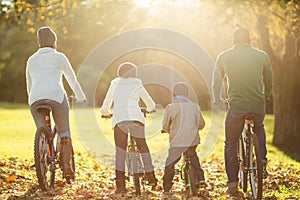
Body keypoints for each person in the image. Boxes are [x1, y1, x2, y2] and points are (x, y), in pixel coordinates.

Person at [212, 27, 273, 196]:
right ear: (250, 39)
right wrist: (265, 96)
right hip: (258, 104)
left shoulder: (224, 56)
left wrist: (217, 98)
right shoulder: (262, 55)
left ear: (234, 40)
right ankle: (261, 160)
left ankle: (232, 183)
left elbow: (216, 81)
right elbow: (269, 81)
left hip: (236, 106)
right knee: (259, 128)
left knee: (230, 142)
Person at [26, 26, 86, 179]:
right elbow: (71, 79)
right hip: (56, 97)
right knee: (64, 129)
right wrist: (80, 96)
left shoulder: (31, 59)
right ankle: (66, 166)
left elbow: (29, 85)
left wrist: (32, 100)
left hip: (35, 99)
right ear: (54, 41)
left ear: (39, 42)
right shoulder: (59, 57)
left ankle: (43, 153)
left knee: (41, 129)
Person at [100, 62, 158, 194]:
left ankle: (120, 186)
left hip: (120, 121)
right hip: (136, 119)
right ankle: (151, 177)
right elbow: (151, 103)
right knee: (143, 147)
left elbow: (105, 105)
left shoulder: (114, 84)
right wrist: (150, 110)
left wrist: (105, 113)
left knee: (120, 152)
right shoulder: (137, 84)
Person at [162, 82, 207, 193]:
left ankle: (167, 186)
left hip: (177, 143)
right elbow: (201, 124)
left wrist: (167, 130)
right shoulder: (194, 107)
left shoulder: (170, 108)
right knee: (193, 156)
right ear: (187, 95)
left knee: (170, 163)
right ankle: (201, 178)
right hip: (192, 141)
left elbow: (165, 125)